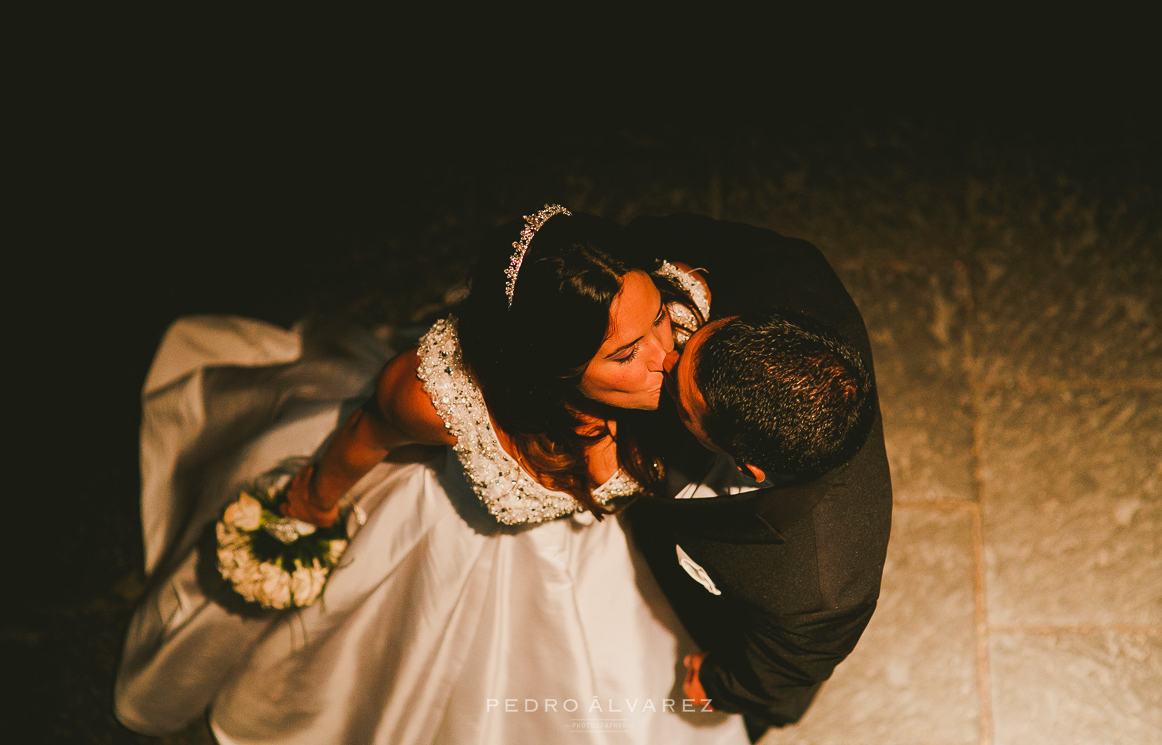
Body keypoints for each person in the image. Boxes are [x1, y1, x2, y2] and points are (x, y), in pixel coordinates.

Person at [115, 207, 750, 744]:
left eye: (658, 319)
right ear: (551, 369)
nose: (668, 357)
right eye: (625, 353)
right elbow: (363, 434)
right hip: (454, 543)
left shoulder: (685, 333)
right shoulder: (439, 400)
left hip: (599, 555)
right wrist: (307, 509)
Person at [624, 213, 893, 743]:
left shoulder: (824, 587)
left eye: (680, 399)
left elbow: (783, 672)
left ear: (749, 466)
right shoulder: (788, 270)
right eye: (696, 339)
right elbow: (671, 236)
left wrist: (723, 687)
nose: (666, 354)